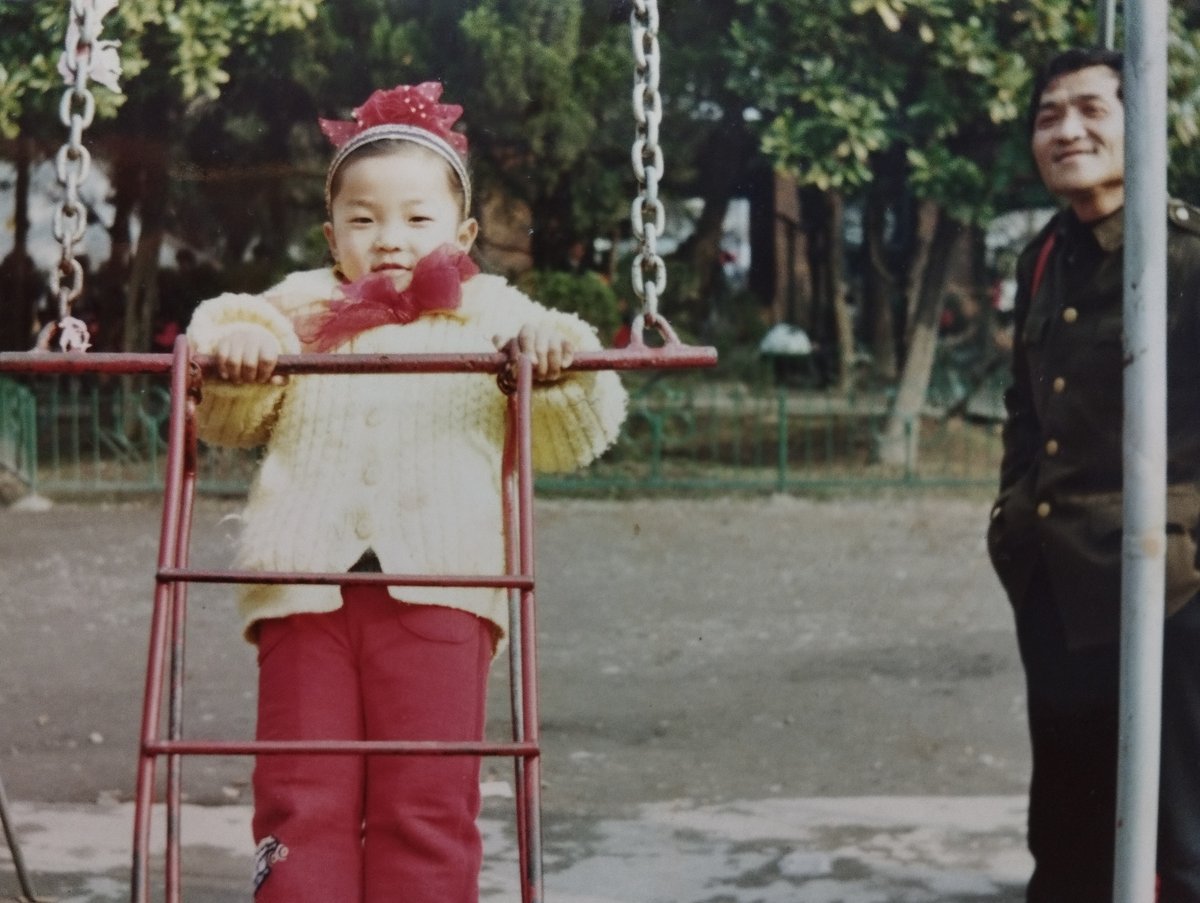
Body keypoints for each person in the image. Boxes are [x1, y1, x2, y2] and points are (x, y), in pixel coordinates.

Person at [185, 82, 627, 902]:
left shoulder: (493, 312)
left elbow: (575, 432)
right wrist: (240, 350)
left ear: (463, 234)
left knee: (425, 801)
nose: (389, 240)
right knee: (300, 794)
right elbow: (227, 404)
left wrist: (556, 359)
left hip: (445, 590)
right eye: (363, 219)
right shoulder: (299, 306)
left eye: (417, 220)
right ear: (331, 233)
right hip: (303, 586)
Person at [987, 48, 1200, 901]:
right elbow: (1025, 408)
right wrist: (1011, 521)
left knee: (1182, 835)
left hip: (1171, 587)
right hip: (1055, 578)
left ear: (1140, 123)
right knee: (1067, 832)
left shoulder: (1184, 256)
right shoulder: (1043, 256)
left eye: (1091, 109)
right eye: (1048, 115)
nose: (1067, 130)